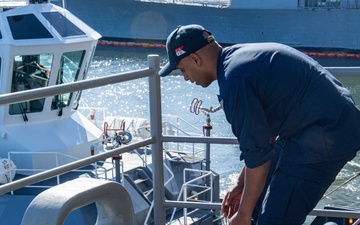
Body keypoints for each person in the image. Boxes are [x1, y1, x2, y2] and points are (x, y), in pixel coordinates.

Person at [158, 24, 360, 225]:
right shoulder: (239, 59)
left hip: (326, 133)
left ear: (195, 59)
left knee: (275, 219)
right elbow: (264, 139)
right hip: (321, 125)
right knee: (257, 199)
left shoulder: (234, 82)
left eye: (182, 69)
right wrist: (241, 184)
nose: (185, 77)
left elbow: (259, 159)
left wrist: (243, 215)